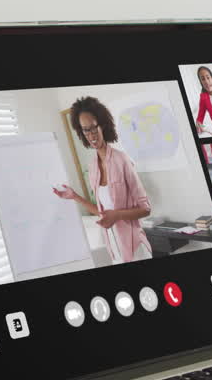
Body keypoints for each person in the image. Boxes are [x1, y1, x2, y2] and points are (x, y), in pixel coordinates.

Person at [54, 96, 153, 264]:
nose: (91, 134)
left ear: (102, 125)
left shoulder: (122, 160)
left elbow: (146, 209)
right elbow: (102, 212)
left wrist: (117, 215)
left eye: (93, 127)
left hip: (135, 249)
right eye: (86, 130)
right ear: (81, 132)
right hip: (114, 250)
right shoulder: (92, 167)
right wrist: (75, 196)